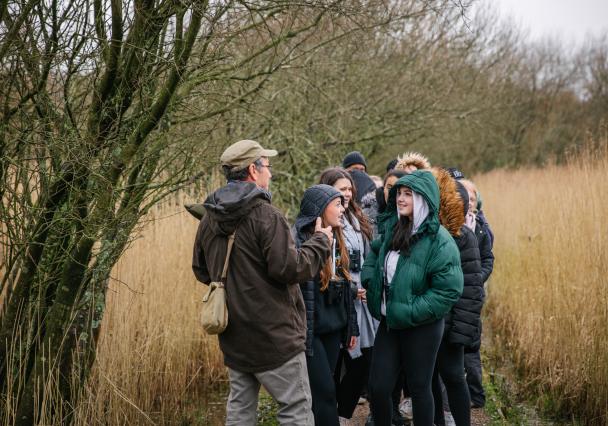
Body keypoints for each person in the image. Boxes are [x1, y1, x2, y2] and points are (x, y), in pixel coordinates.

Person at [191, 139, 333, 426]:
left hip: (234, 336)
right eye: (267, 166)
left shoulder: (209, 217)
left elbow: (201, 270)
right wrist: (320, 243)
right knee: (296, 409)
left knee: (240, 412)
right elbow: (290, 268)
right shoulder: (267, 215)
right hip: (274, 337)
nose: (271, 173)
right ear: (253, 171)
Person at [362, 170, 464, 426]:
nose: (400, 199)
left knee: (419, 388)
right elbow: (374, 256)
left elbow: (448, 290)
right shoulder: (395, 229)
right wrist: (370, 282)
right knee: (379, 387)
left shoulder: (440, 241)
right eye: (399, 193)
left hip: (422, 327)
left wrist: (411, 309)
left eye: (408, 194)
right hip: (390, 323)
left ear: (423, 198)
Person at [293, 184, 359, 426]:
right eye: (337, 204)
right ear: (320, 210)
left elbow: (346, 286)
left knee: (325, 390)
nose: (343, 209)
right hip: (311, 331)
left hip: (334, 326)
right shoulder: (299, 241)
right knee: (325, 393)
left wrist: (351, 327)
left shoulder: (339, 238)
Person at [317, 168, 375, 421]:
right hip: (337, 299)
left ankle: (342, 413)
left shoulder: (357, 218)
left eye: (350, 189)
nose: (347, 194)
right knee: (335, 362)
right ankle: (328, 414)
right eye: (341, 190)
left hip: (362, 300)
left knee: (362, 363)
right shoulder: (326, 222)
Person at [429, 170, 484, 426]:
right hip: (428, 322)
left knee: (452, 376)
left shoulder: (465, 237)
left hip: (452, 326)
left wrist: (461, 333)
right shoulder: (426, 235)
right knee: (429, 379)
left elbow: (472, 290)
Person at [459, 178, 494, 409]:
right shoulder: (449, 225)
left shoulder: (480, 227)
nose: (469, 202)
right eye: (465, 198)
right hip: (453, 292)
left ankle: (476, 395)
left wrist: (476, 279)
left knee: (471, 345)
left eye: (472, 198)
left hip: (472, 293)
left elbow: (488, 258)